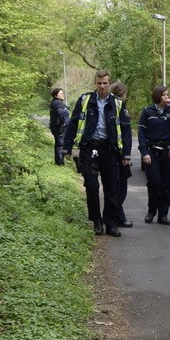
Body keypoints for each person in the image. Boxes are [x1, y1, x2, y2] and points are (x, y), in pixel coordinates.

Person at [61, 71, 132, 237]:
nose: (102, 86)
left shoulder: (117, 103)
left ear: (109, 83)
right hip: (89, 149)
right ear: (95, 83)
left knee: (111, 189)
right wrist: (67, 147)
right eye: (99, 83)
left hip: (110, 150)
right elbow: (73, 123)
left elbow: (126, 130)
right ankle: (97, 221)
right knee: (92, 187)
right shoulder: (85, 100)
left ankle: (111, 223)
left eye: (105, 83)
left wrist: (126, 155)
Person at [138, 85, 170, 225]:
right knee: (153, 182)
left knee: (166, 184)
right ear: (158, 96)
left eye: (168, 94)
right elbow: (141, 134)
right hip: (152, 151)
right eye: (164, 95)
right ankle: (151, 211)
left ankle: (163, 214)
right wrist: (144, 152)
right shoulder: (147, 111)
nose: (166, 97)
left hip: (168, 151)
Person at [110, 81, 133, 228]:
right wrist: (126, 155)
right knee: (120, 187)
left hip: (110, 151)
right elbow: (126, 134)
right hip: (118, 153)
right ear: (122, 93)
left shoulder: (106, 105)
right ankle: (118, 217)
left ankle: (117, 216)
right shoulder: (119, 106)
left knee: (113, 187)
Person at [49, 87, 70, 166]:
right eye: (61, 94)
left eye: (63, 93)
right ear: (55, 95)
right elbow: (62, 114)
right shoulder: (57, 103)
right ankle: (60, 163)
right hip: (59, 128)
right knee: (60, 145)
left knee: (59, 144)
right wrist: (65, 124)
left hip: (57, 127)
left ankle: (60, 162)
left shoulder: (56, 102)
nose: (63, 95)